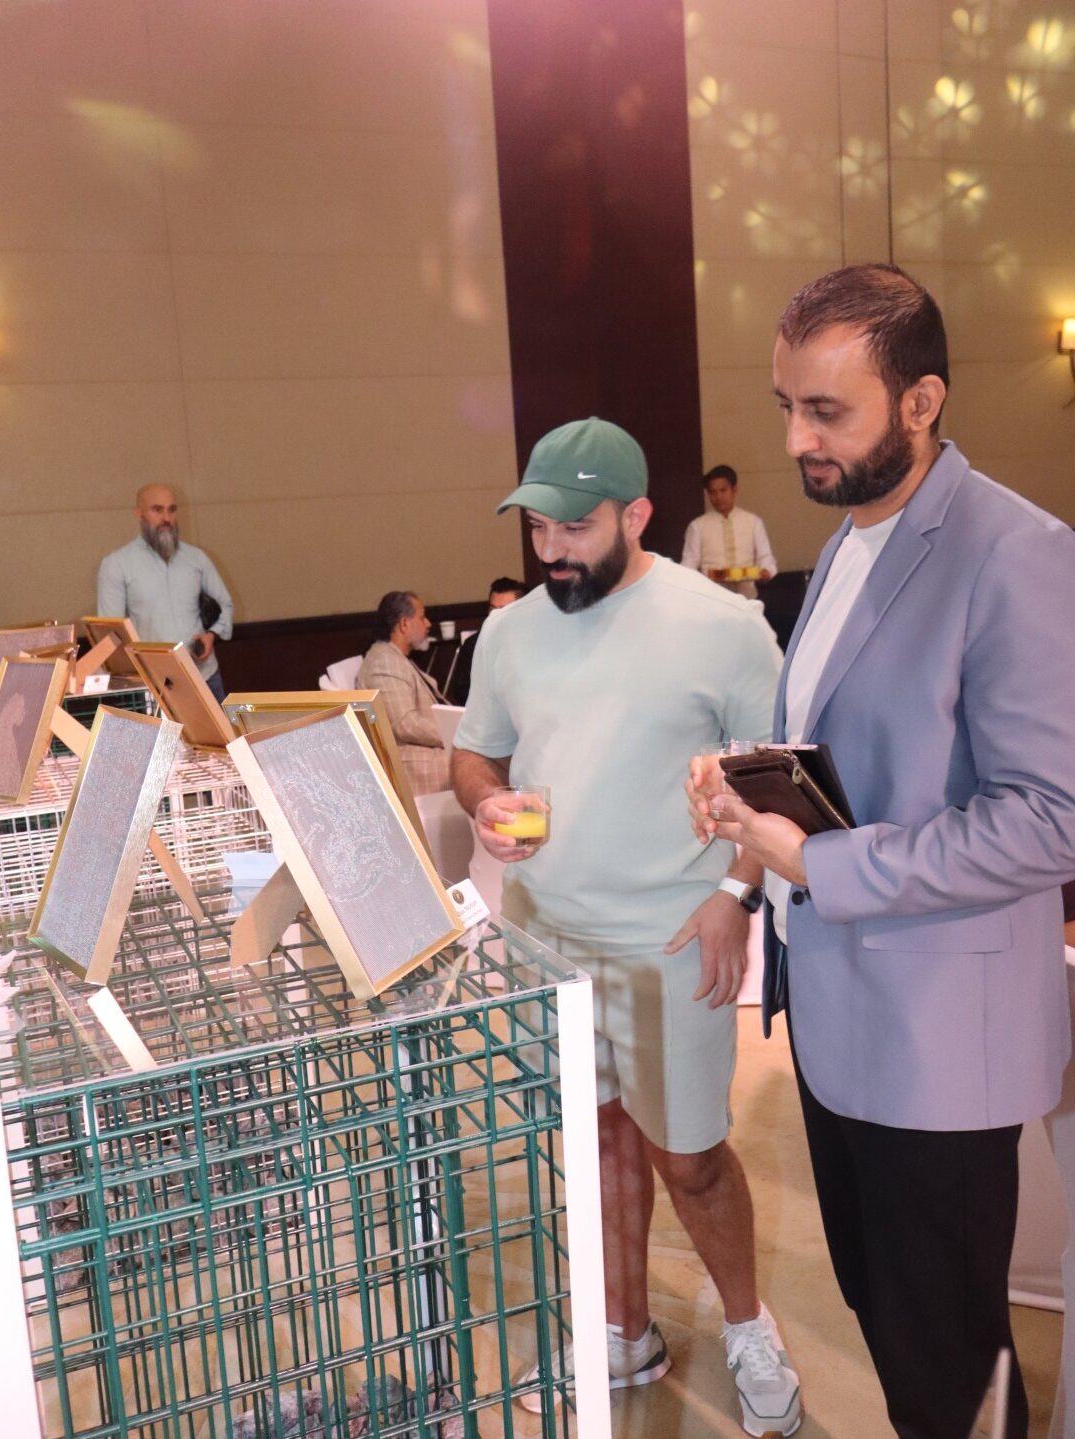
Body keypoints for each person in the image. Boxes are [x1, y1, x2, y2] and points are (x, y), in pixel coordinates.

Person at [687, 263, 1075, 1439]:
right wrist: (744, 838)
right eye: (786, 406)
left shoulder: (1014, 551)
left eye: (826, 411)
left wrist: (819, 866)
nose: (795, 440)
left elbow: (1048, 815)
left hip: (940, 1041)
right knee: (894, 1322)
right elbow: (839, 758)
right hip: (839, 1019)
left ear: (922, 400)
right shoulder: (851, 540)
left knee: (950, 1365)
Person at [451, 418, 800, 1435]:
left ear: (638, 514)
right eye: (538, 528)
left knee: (690, 1156)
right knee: (596, 1137)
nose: (552, 549)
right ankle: (622, 1328)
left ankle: (749, 1327)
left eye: (576, 526)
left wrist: (735, 895)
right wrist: (483, 799)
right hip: (546, 936)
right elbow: (476, 752)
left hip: (672, 939)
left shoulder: (723, 626)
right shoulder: (511, 632)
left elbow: (773, 780)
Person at [97, 484, 233, 702]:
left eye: (172, 510)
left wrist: (211, 635)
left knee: (223, 727)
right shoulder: (117, 564)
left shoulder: (196, 558)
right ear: (139, 513)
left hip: (204, 676)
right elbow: (110, 634)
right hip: (154, 685)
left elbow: (225, 604)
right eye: (157, 510)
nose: (166, 518)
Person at [359, 591, 449, 796]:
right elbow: (404, 723)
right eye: (422, 617)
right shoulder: (385, 661)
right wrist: (455, 734)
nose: (428, 623)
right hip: (415, 765)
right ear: (404, 624)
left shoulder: (395, 658)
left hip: (424, 754)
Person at [681, 464, 777, 599]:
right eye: (713, 492)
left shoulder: (753, 522)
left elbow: (765, 557)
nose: (718, 497)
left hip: (747, 599)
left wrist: (766, 572)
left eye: (723, 490)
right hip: (711, 599)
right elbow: (689, 564)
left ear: (734, 490)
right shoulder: (697, 526)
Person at [448, 576, 527, 705]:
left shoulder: (534, 642)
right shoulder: (473, 645)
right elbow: (462, 690)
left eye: (503, 610)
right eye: (492, 609)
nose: (495, 616)